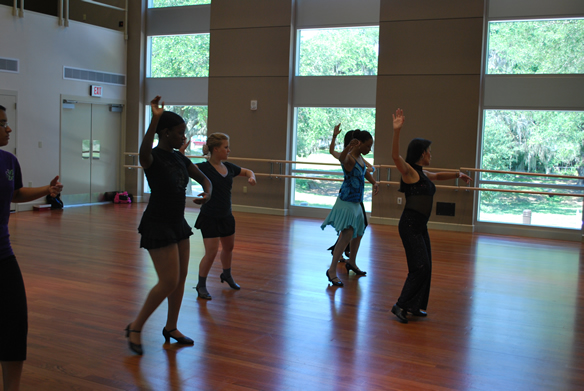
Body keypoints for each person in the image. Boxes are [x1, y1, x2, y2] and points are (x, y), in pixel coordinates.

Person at [126, 96, 212, 355]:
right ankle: (136, 327)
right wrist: (154, 118)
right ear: (165, 133)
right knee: (168, 280)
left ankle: (171, 327)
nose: (183, 138)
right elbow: (143, 149)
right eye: (179, 133)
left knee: (180, 278)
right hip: (158, 223)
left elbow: (206, 180)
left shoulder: (180, 159)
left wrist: (207, 193)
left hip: (177, 223)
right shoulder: (151, 157)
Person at [0, 105, 63, 391]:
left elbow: (14, 194)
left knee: (15, 324)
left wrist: (45, 191)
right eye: (3, 124)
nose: (8, 129)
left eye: (7, 122)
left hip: (3, 256)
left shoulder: (9, 161)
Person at [390, 108, 472, 323]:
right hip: (409, 225)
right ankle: (400, 305)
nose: (431, 154)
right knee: (420, 267)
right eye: (428, 151)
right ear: (421, 153)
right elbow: (395, 156)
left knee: (427, 266)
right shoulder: (409, 172)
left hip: (420, 226)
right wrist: (397, 131)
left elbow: (437, 175)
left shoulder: (423, 174)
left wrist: (458, 174)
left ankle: (415, 305)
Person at [193, 133, 256, 300]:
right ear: (215, 149)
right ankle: (201, 285)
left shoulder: (229, 167)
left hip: (226, 216)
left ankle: (226, 275)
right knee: (211, 253)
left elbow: (248, 171)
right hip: (209, 217)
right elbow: (184, 169)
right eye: (226, 147)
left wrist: (252, 177)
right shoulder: (203, 168)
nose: (229, 150)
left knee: (229, 248)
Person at [321, 129, 379, 287]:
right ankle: (332, 270)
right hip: (347, 202)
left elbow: (364, 173)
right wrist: (343, 144)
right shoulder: (350, 159)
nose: (369, 149)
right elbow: (340, 157)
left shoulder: (359, 158)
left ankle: (351, 261)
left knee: (358, 232)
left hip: (356, 202)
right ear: (359, 144)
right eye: (368, 146)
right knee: (346, 235)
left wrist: (374, 182)